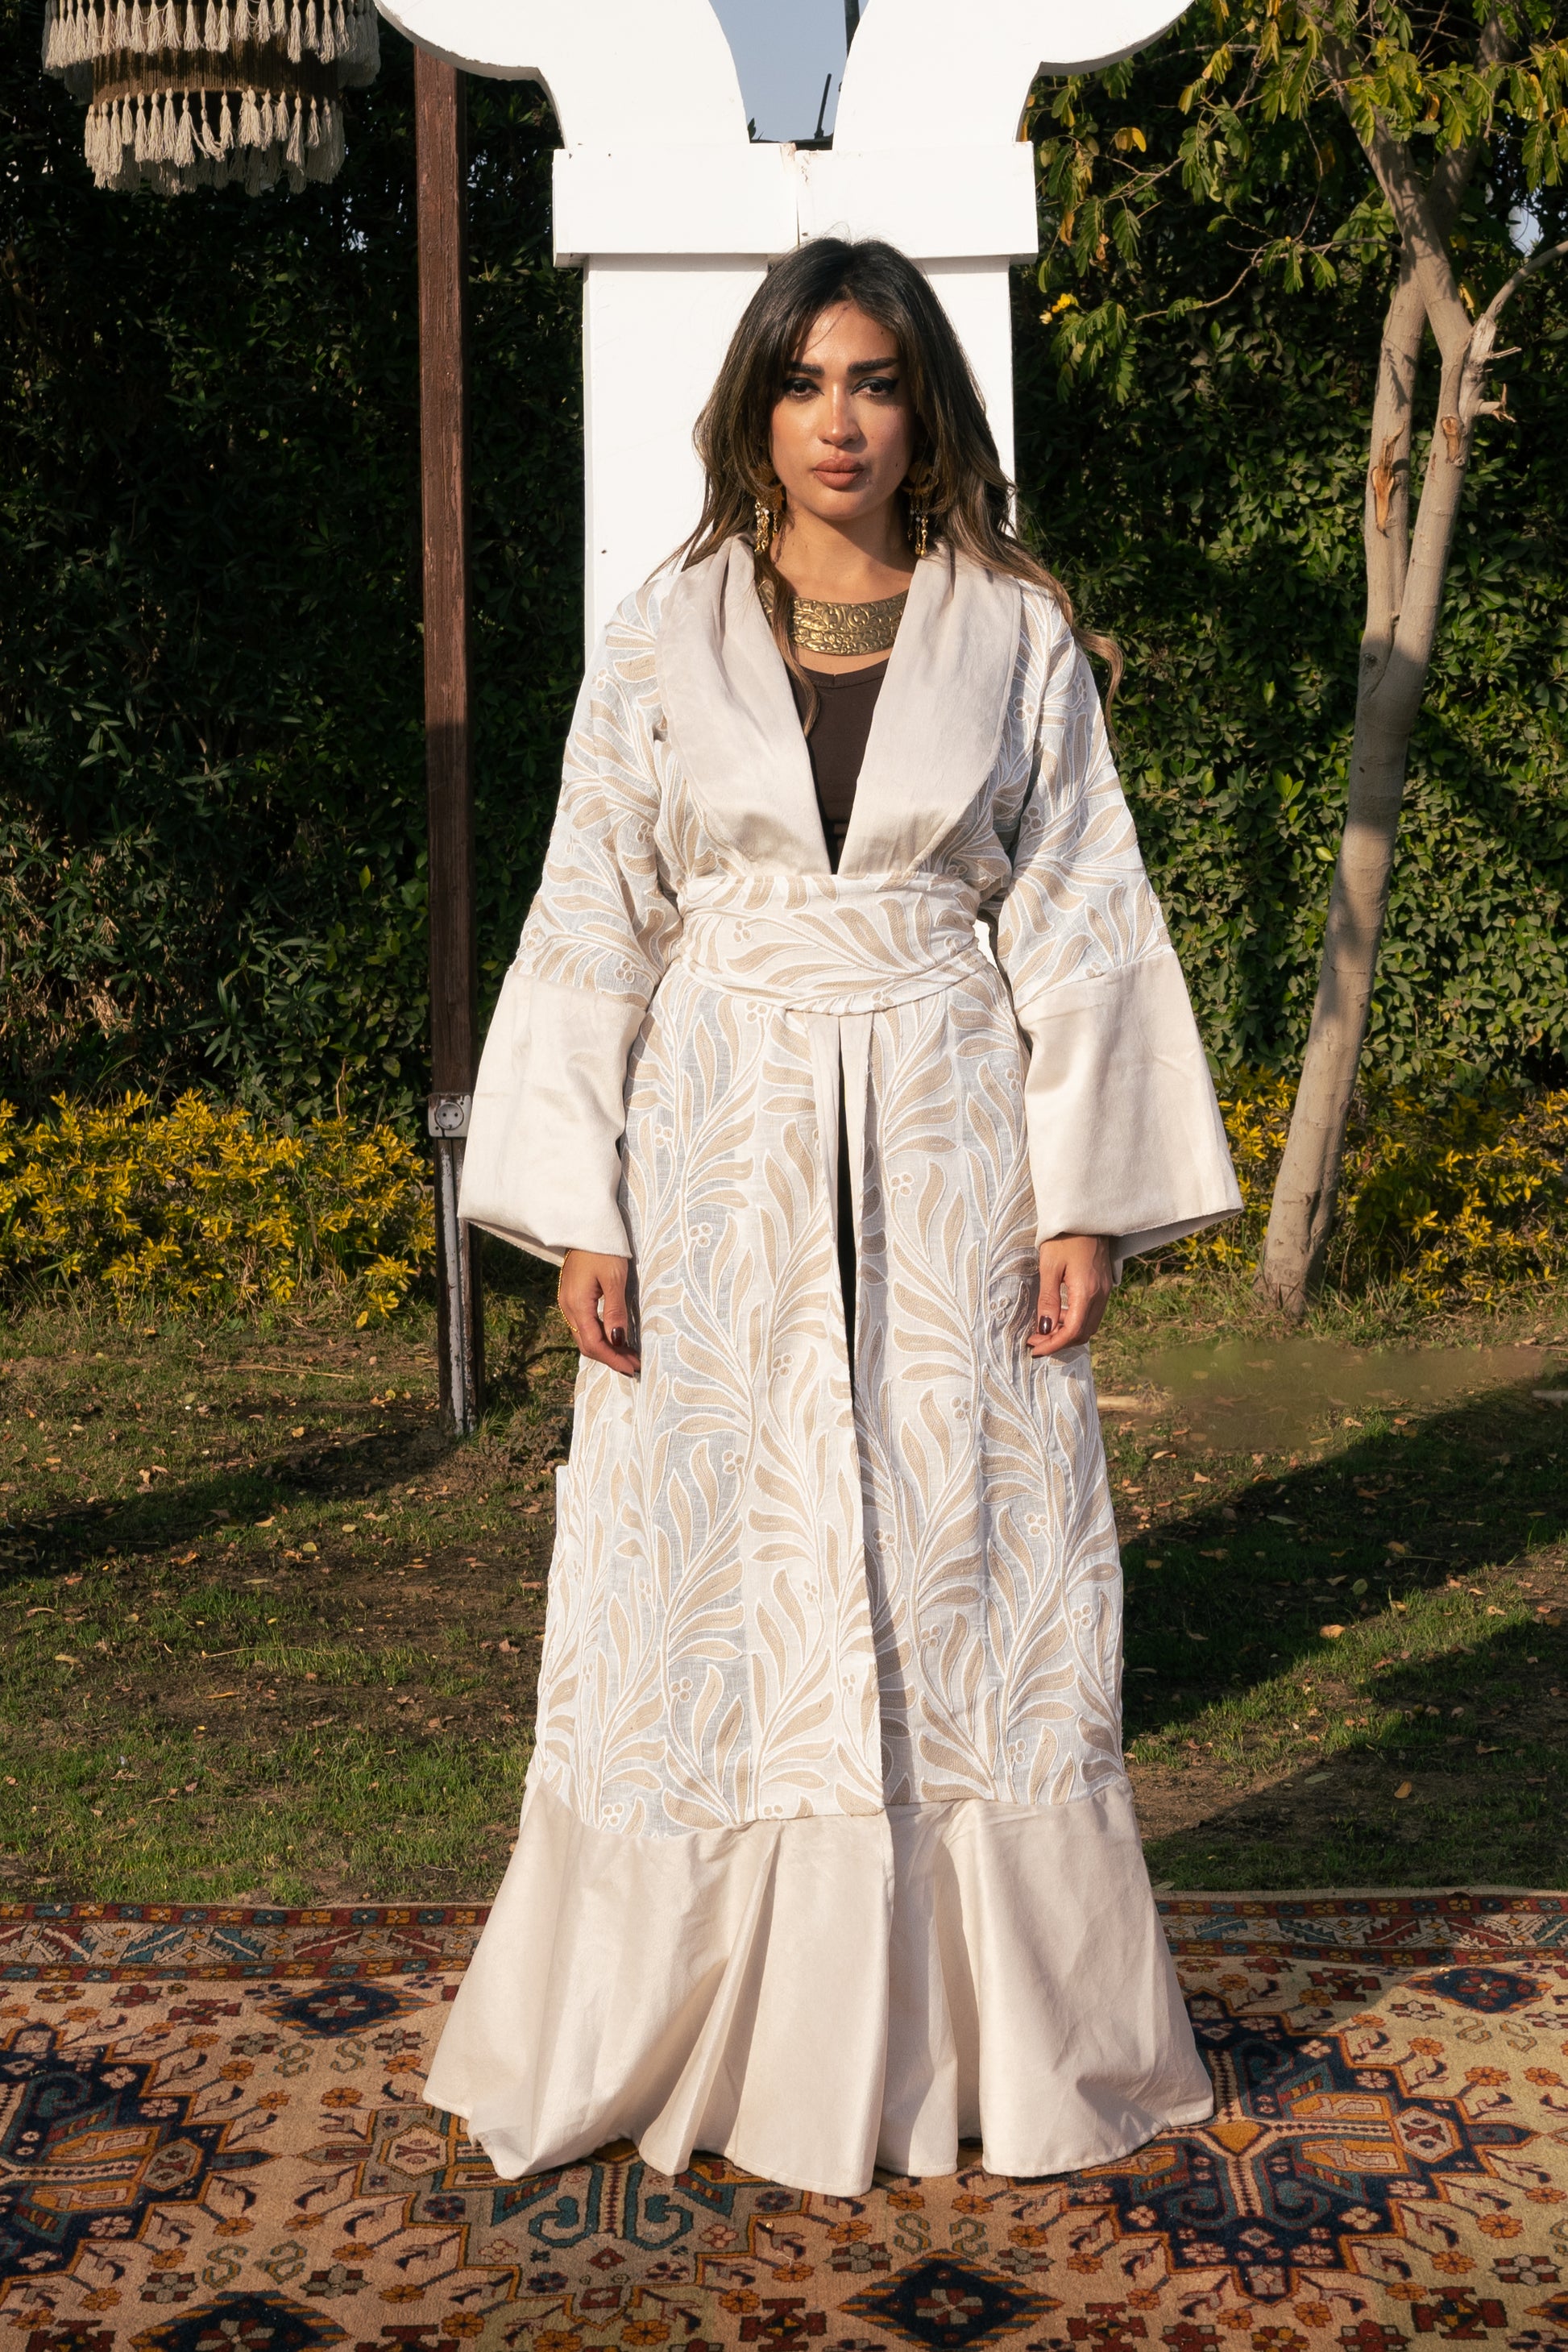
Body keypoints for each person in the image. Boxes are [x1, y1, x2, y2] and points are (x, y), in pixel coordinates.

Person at [424, 236, 1241, 2197]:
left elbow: (1082, 906)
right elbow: (591, 910)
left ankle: (980, 2038)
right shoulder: (664, 627)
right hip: (719, 1141)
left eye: (873, 380)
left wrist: (1088, 1197)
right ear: (757, 407)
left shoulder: (1014, 631)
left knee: (966, 1546)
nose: (840, 421)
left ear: (920, 403)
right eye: (804, 383)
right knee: (716, 1551)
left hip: (953, 1137)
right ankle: (693, 2016)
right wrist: (581, 1210)